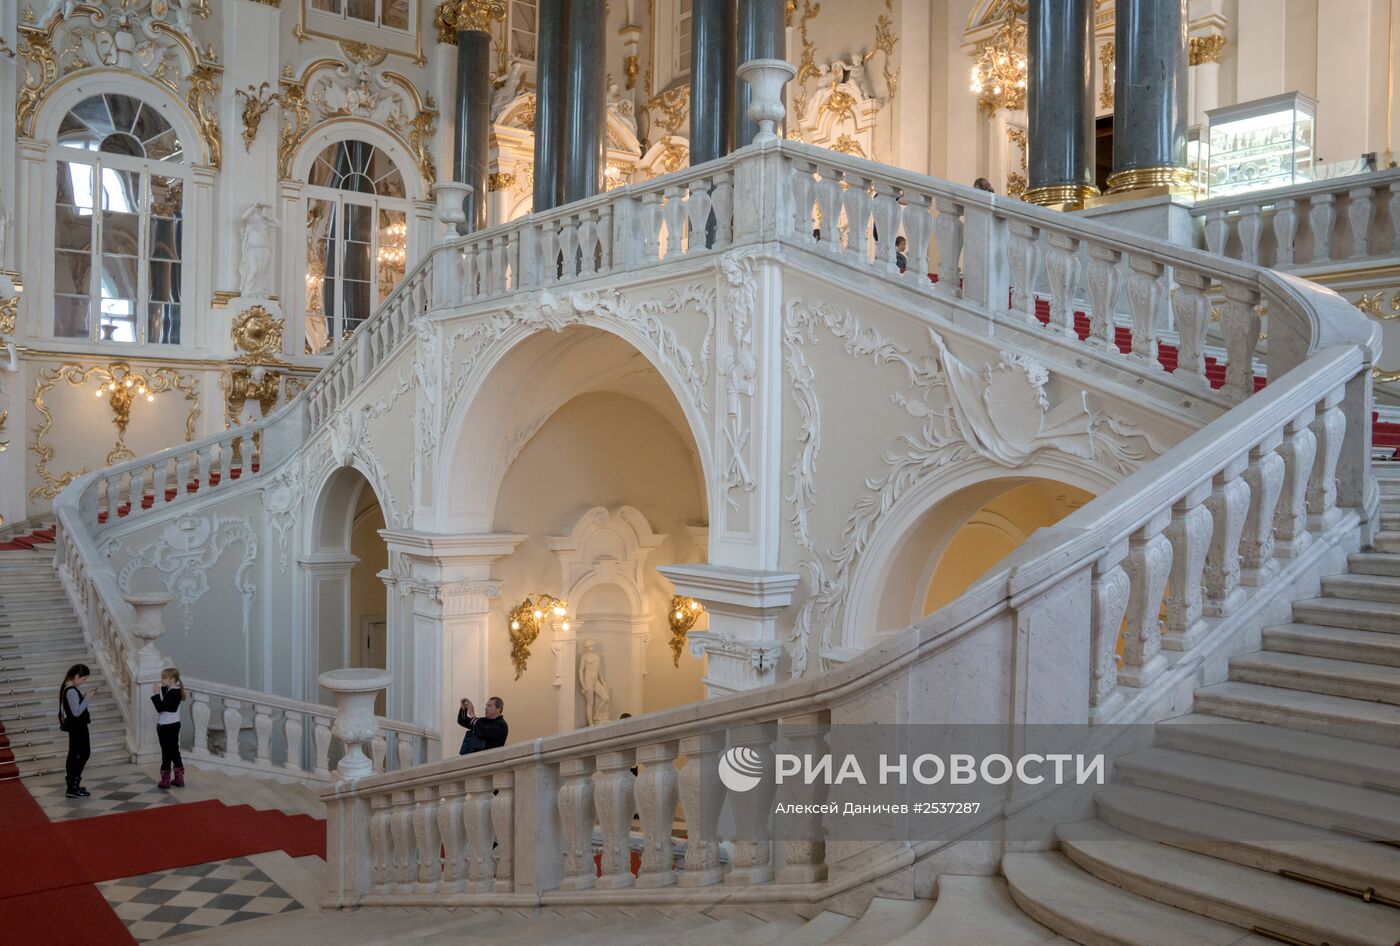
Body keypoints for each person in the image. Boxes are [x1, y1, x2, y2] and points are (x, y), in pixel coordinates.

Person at [59, 664, 99, 798]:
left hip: (76, 727)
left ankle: (72, 784)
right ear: (76, 676)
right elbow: (76, 712)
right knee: (83, 754)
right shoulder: (70, 690)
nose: (83, 683)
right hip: (78, 727)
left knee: (74, 754)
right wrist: (88, 697)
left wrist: (85, 696)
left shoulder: (68, 688)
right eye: (83, 680)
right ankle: (73, 786)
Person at [151, 667, 186, 789]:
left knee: (166, 752)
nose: (161, 680)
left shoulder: (172, 693)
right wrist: (162, 686)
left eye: (163, 678)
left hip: (166, 727)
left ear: (171, 680)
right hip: (174, 724)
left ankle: (165, 780)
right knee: (174, 750)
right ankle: (179, 778)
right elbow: (166, 695)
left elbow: (161, 708)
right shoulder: (175, 690)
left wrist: (156, 694)